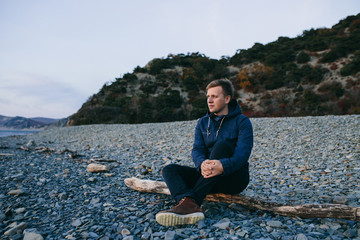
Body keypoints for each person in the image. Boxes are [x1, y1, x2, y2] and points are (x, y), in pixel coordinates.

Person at [155, 79, 253, 226]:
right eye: (208, 96)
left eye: (214, 96)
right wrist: (201, 164)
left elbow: (243, 154)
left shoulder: (242, 122)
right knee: (170, 169)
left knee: (222, 146)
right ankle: (187, 202)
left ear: (227, 99)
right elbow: (197, 150)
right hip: (207, 176)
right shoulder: (202, 122)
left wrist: (223, 165)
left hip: (233, 179)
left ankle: (191, 203)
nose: (209, 100)